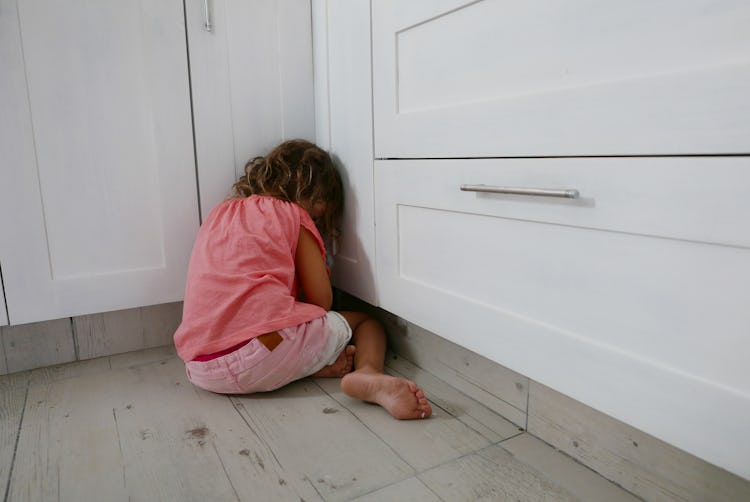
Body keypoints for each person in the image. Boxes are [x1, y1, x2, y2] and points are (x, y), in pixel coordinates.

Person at [174, 139, 432, 420]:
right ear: (318, 199)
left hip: (201, 368)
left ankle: (315, 367)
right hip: (262, 351)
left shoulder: (219, 213)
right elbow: (322, 301)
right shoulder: (293, 214)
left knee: (274, 341)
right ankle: (368, 373)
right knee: (367, 322)